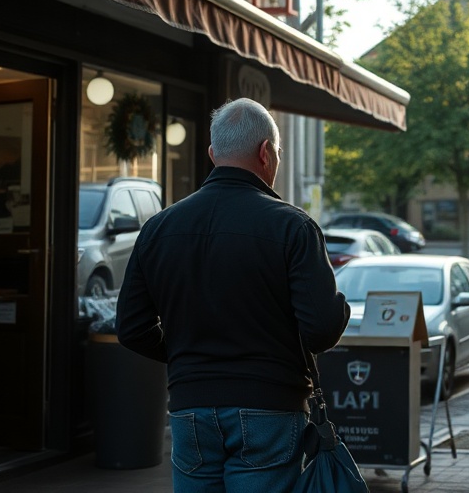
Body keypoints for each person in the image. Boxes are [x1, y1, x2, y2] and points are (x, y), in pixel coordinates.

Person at [117, 98, 349, 493]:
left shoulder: (158, 228)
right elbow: (322, 329)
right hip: (269, 406)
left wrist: (187, 353)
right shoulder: (293, 227)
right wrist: (339, 304)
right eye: (276, 153)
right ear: (265, 153)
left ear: (213, 154)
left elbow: (131, 328)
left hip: (190, 405)